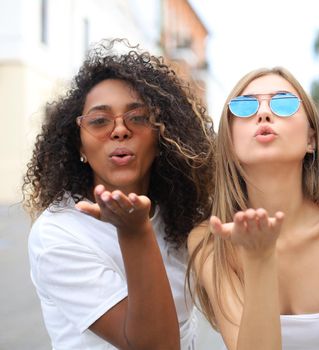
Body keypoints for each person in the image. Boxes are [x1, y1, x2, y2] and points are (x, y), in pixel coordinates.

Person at [23, 39, 215, 350]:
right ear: (79, 145)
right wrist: (135, 232)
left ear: (162, 134)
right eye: (99, 121)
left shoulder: (183, 214)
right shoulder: (58, 233)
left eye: (138, 117)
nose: (119, 130)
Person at [187, 66, 319, 350]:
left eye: (284, 103)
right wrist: (259, 259)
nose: (263, 114)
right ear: (229, 140)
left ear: (311, 139)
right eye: (245, 107)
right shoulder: (210, 239)